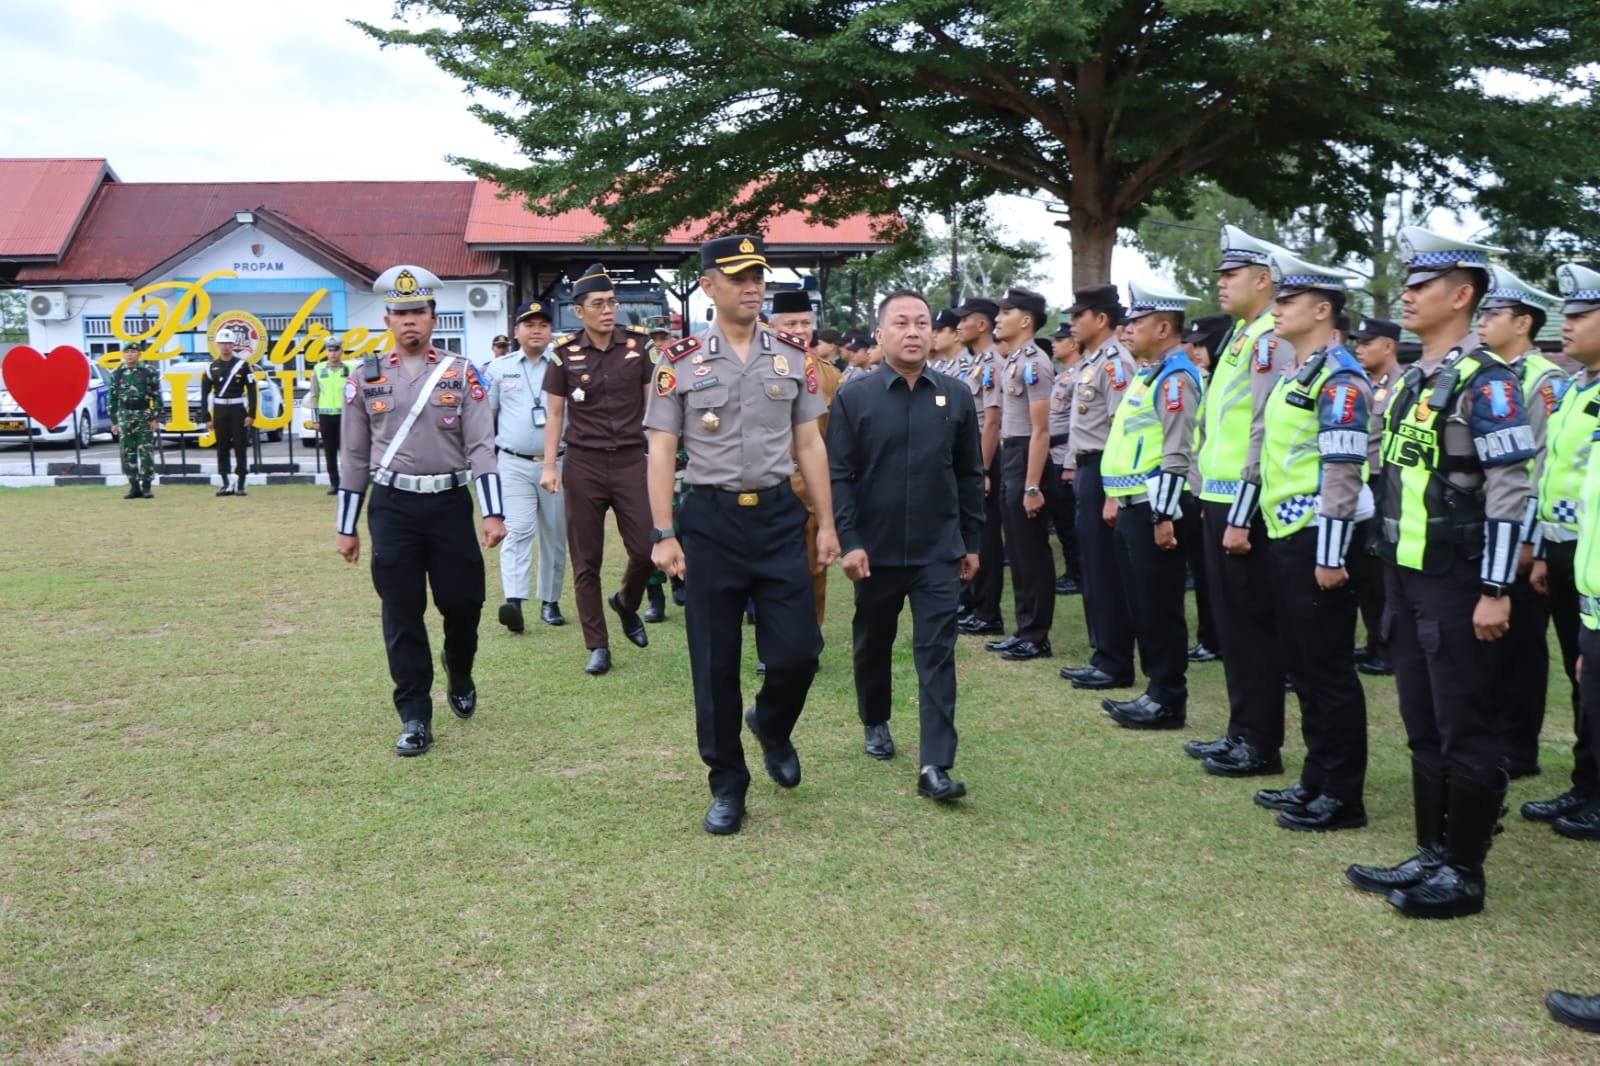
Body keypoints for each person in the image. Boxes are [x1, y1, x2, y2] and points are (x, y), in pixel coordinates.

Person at [1345, 227, 1534, 920]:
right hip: (1405, 576)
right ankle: (1431, 852)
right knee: (1422, 721)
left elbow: (1510, 490)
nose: (1408, 296)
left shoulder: (1490, 382)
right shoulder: (1412, 380)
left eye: (1422, 286)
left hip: (1458, 580)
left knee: (1464, 725)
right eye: (1408, 285)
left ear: (1461, 296)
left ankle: (1464, 873)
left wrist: (1496, 589)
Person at [643, 234, 839, 836]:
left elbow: (810, 444)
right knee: (715, 663)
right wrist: (663, 533)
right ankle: (728, 784)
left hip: (779, 517)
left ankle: (771, 725)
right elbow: (661, 450)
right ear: (709, 286)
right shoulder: (678, 361)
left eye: (758, 276)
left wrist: (828, 523)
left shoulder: (792, 355)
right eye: (738, 278)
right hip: (711, 521)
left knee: (800, 651)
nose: (753, 287)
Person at [334, 264, 507, 756]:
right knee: (402, 611)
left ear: (434, 317)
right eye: (400, 313)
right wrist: (347, 527)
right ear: (387, 320)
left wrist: (492, 513)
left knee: (464, 603)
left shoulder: (461, 373)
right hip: (392, 507)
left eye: (418, 311)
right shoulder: (365, 376)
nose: (410, 320)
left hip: (449, 503)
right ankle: (414, 715)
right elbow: (354, 456)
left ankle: (460, 667)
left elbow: (481, 447)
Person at [827, 289, 984, 798]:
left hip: (938, 549)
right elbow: (840, 476)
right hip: (875, 551)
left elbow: (969, 474)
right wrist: (850, 541)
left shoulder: (955, 395)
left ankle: (935, 764)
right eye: (901, 322)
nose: (912, 331)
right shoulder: (855, 396)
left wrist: (971, 540)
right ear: (881, 334)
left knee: (936, 652)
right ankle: (875, 718)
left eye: (921, 322)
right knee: (873, 641)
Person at [1253, 249, 1371, 831]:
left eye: (1289, 300)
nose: (1276, 309)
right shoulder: (1296, 372)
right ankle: (1315, 778)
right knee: (1302, 666)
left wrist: (1330, 554)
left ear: (1322, 310)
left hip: (1319, 538)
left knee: (1328, 670)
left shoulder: (1340, 377)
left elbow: (1343, 469)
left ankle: (1342, 796)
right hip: (1288, 534)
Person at [1190, 224, 1297, 778]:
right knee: (1231, 624)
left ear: (1262, 280)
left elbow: (1262, 427)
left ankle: (1260, 742)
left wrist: (1243, 507)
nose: (1222, 283)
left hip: (1243, 500)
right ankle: (1240, 730)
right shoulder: (1240, 335)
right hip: (1217, 494)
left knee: (1252, 624)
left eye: (1232, 274)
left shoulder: (1270, 338)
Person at [540, 264, 657, 676]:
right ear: (579, 311)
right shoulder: (563, 353)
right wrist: (549, 466)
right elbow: (556, 415)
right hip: (583, 463)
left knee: (646, 550)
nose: (608, 310)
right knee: (585, 559)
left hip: (630, 460)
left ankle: (626, 601)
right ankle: (598, 645)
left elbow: (654, 406)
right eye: (598, 304)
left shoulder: (639, 347)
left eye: (611, 302)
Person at [1097, 279, 1203, 729]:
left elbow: (1176, 452)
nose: (1128, 328)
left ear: (1163, 328)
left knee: (1160, 606)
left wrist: (1163, 516)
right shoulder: (1150, 373)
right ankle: (1155, 690)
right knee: (1143, 602)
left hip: (1157, 507)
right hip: (1133, 503)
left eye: (1138, 321)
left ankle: (1168, 698)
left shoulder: (1176, 377)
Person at [1476, 267, 1565, 779]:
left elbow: (1539, 469)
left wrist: (1529, 542)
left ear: (1523, 322)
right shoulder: (1482, 370)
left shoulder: (1542, 380)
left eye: (1493, 313)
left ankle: (1519, 746)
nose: (1482, 321)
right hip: (1485, 528)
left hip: (1519, 531)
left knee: (1521, 644)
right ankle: (1492, 736)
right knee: (1489, 646)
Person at [1524, 263, 1600, 838]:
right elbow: (1548, 472)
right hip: (1567, 549)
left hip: (1591, 552)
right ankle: (1585, 784)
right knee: (1582, 675)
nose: (1566, 326)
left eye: (1580, 316)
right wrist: (1542, 548)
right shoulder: (1575, 387)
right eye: (1565, 316)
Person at [1057, 284, 1139, 690]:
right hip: (1088, 469)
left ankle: (1115, 662)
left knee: (1106, 569)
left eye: (1080, 315)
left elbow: (1122, 428)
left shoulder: (1115, 363)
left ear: (1101, 319)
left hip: (1106, 471)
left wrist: (1112, 492)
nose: (1072, 322)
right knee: (1093, 565)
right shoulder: (1093, 360)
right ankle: (1102, 653)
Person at [486, 298, 569, 633]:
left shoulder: (563, 364)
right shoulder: (499, 368)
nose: (537, 331)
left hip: (558, 463)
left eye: (543, 325)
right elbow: (488, 416)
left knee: (555, 534)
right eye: (529, 325)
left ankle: (550, 601)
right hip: (513, 463)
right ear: (516, 330)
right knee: (518, 529)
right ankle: (515, 601)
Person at [984, 288, 1057, 661]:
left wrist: (1032, 485)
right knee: (1017, 549)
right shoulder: (1013, 360)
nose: (997, 319)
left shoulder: (1035, 363)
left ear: (1025, 320)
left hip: (1027, 456)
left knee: (1031, 551)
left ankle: (1036, 635)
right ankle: (1023, 629)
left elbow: (1041, 430)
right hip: (1011, 453)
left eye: (1005, 312)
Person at [772, 288, 843, 625]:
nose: (799, 330)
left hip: (810, 487)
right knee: (772, 573)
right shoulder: (757, 367)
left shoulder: (829, 376)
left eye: (805, 323)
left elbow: (837, 439)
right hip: (769, 484)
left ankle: (811, 638)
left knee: (814, 572)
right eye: (790, 324)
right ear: (773, 326)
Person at [1349, 315, 1404, 677]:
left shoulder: (1402, 385)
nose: (1359, 349)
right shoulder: (1363, 382)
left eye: (1367, 343)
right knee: (1363, 570)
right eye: (1358, 342)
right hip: (1359, 481)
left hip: (1384, 483)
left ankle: (1387, 647)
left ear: (1388, 346)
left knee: (1380, 570)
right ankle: (1373, 641)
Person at [1180, 313, 1232, 662]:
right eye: (1194, 345)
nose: (1196, 352)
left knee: (1218, 575)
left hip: (1217, 490)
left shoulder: (1220, 383)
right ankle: (1210, 638)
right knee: (1204, 573)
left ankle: (1217, 639)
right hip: (1199, 487)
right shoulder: (1206, 381)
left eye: (1202, 345)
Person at [954, 297, 1008, 637]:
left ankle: (988, 612)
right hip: (972, 452)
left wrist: (984, 470)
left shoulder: (992, 364)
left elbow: (991, 422)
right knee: (970, 530)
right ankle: (974, 603)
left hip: (985, 455)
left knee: (985, 536)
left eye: (965, 320)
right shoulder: (977, 363)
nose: (959, 326)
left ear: (983, 324)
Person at [200, 326, 257, 497]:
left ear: (233, 345)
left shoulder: (243, 366)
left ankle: (241, 483)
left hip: (237, 409)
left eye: (228, 343)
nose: (225, 347)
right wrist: (206, 416)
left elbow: (252, 390)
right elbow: (204, 394)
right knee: (222, 447)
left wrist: (251, 413)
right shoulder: (211, 367)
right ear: (217, 345)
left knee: (240, 446)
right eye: (222, 343)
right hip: (220, 410)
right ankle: (225, 483)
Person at [1047, 321, 1083, 596]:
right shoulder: (1063, 376)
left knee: (1070, 522)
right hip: (1054, 455)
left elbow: (1077, 424)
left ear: (1073, 344)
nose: (1054, 344)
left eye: (1060, 340)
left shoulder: (1081, 375)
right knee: (1062, 520)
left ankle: (1078, 573)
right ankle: (1073, 570)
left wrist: (1070, 463)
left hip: (1065, 456)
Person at [108, 341, 160, 499]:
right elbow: (112, 397)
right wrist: (114, 421)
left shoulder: (148, 371)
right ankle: (134, 486)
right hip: (125, 415)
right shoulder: (117, 373)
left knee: (146, 451)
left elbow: (156, 395)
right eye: (127, 352)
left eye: (133, 352)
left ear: (139, 354)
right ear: (123, 355)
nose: (130, 355)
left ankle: (147, 486)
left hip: (143, 414)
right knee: (127, 451)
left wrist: (155, 417)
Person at [309, 338, 351, 495]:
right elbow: (314, 395)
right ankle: (334, 484)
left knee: (346, 451)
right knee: (329, 451)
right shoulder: (319, 368)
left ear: (341, 351)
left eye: (336, 350)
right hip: (326, 416)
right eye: (330, 350)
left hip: (344, 416)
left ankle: (348, 483)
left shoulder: (349, 369)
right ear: (326, 352)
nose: (333, 354)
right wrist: (315, 419)